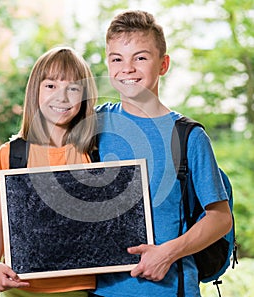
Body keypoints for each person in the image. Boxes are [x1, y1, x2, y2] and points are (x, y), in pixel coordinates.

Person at [91, 10, 233, 297]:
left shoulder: (188, 136)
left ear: (163, 64)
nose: (127, 68)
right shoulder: (91, 125)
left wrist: (167, 253)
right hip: (99, 292)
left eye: (140, 58)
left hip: (170, 291)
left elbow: (220, 218)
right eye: (116, 59)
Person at [0, 46, 98, 297]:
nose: (62, 97)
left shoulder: (95, 152)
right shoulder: (12, 155)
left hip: (81, 289)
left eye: (73, 88)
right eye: (51, 86)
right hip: (20, 288)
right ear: (35, 89)